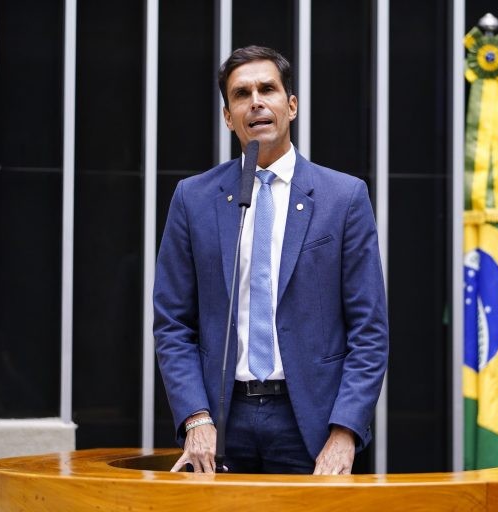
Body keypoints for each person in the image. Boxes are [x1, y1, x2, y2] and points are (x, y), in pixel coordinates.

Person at [154, 45, 388, 475]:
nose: (256, 101)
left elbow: (369, 330)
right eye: (242, 94)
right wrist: (195, 418)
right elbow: (172, 322)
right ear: (229, 117)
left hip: (311, 427)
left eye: (268, 89)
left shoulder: (343, 197)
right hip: (221, 423)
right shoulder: (194, 198)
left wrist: (345, 432)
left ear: (291, 105)